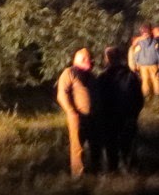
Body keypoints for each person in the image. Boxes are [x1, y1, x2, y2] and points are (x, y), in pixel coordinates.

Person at [91, 45, 144, 173]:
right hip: (128, 116)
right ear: (120, 58)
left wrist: (99, 116)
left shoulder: (103, 77)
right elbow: (139, 98)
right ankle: (130, 171)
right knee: (128, 145)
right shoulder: (131, 76)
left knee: (111, 146)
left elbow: (97, 99)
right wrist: (134, 114)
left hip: (109, 118)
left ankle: (113, 171)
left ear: (107, 59)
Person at [56, 47, 96, 177]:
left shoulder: (90, 76)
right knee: (78, 147)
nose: (92, 62)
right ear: (83, 60)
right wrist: (71, 111)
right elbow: (62, 94)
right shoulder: (69, 73)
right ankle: (78, 175)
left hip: (93, 117)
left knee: (95, 145)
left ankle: (96, 172)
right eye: (89, 59)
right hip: (77, 117)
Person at [128, 24, 159, 102]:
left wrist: (136, 62)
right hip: (153, 63)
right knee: (155, 80)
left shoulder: (139, 43)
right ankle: (157, 96)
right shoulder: (155, 41)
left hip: (142, 63)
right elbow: (157, 52)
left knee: (145, 80)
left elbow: (137, 53)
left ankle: (146, 96)